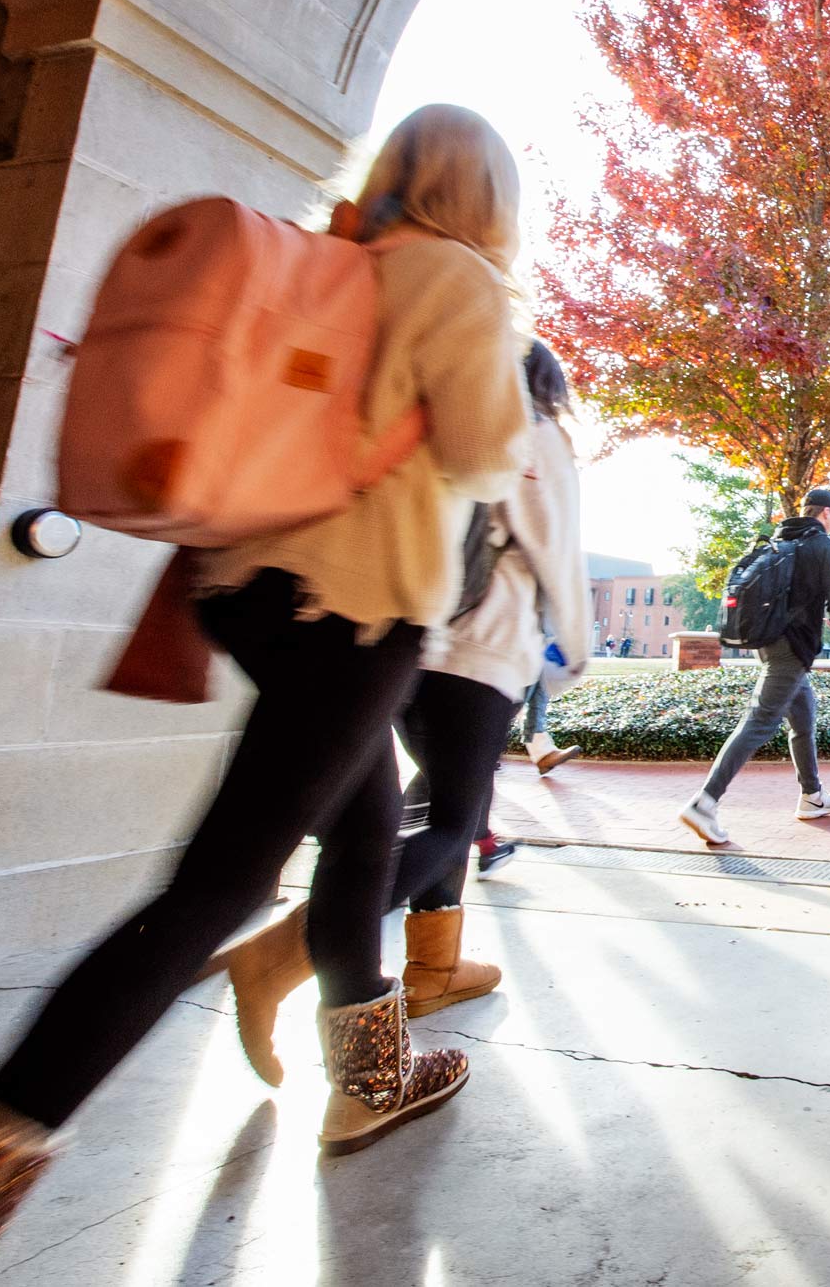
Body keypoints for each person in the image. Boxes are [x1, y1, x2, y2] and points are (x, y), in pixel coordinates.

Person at [0, 105, 532, 1286]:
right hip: (357, 605)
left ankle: (374, 1074)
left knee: (354, 831)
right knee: (214, 889)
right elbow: (492, 446)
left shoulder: (338, 262)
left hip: (248, 591)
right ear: (488, 196)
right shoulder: (457, 277)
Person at [223, 340, 589, 1085]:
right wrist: (575, 652)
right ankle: (287, 951)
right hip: (479, 653)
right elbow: (556, 549)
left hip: (400, 642)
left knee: (408, 810)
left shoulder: (433, 421)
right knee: (455, 816)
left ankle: (434, 966)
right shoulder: (531, 433)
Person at [677, 486, 830, 846]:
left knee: (803, 716)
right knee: (760, 719)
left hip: (770, 640)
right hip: (794, 646)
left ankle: (812, 796)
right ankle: (704, 803)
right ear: (827, 514)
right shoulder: (823, 544)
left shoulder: (780, 537)